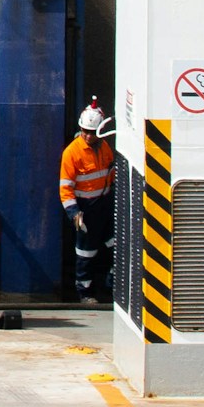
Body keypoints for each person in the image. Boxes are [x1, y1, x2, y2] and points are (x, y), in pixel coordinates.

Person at [59, 102, 116, 306]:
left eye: (93, 132)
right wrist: (74, 213)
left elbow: (111, 174)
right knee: (86, 253)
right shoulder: (72, 153)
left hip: (105, 205)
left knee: (115, 246)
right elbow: (65, 188)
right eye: (85, 131)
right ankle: (85, 293)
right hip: (86, 210)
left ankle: (112, 288)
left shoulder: (104, 147)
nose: (89, 136)